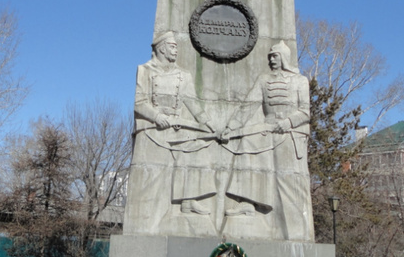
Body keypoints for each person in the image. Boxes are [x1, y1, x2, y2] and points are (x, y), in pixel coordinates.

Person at [124, 32, 218, 233]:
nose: (176, 50)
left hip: (176, 127)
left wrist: (208, 125)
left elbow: (192, 103)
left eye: (176, 46)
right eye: (172, 46)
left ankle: (189, 199)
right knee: (153, 177)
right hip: (153, 128)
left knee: (198, 148)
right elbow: (139, 103)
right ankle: (146, 222)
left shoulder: (184, 76)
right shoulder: (145, 70)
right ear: (161, 48)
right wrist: (157, 117)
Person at [222, 41, 313, 241]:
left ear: (284, 58)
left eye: (275, 56)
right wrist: (231, 127)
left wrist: (288, 122)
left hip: (289, 134)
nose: (271, 60)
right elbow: (249, 106)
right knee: (246, 146)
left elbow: (305, 112)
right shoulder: (264, 80)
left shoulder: (300, 81)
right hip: (267, 129)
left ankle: (293, 229)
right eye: (270, 56)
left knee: (286, 179)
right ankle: (247, 203)